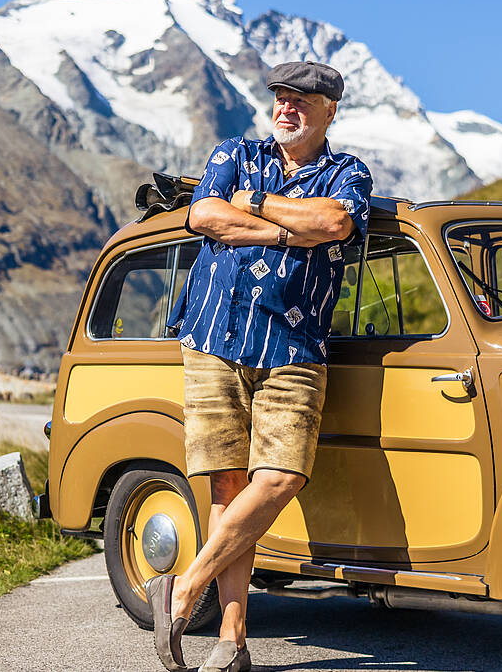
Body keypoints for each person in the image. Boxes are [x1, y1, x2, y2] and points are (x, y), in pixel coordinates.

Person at [146, 61, 372, 672]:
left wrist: (259, 206)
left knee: (281, 478)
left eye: (303, 100)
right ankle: (232, 641)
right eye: (280, 98)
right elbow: (204, 217)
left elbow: (335, 222)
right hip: (213, 337)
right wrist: (282, 235)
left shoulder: (347, 173)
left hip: (295, 348)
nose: (287, 108)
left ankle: (185, 586)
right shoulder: (235, 154)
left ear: (331, 109)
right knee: (226, 482)